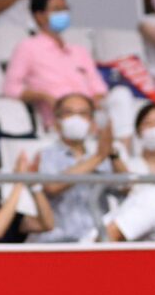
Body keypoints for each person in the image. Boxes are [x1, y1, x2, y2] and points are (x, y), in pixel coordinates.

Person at [1, 0, 103, 128]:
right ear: (39, 16)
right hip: (59, 118)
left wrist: (90, 107)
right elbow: (10, 88)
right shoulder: (28, 47)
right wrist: (43, 96)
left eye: (65, 9)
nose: (63, 14)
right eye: (57, 10)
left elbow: (99, 88)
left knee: (121, 96)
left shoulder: (79, 51)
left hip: (90, 114)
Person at [36, 93, 124, 243]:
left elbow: (126, 187)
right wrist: (97, 158)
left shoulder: (103, 155)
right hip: (59, 242)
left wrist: (113, 155)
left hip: (97, 240)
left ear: (92, 122)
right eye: (68, 113)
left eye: (83, 114)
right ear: (57, 121)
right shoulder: (45, 155)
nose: (76, 118)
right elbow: (52, 186)